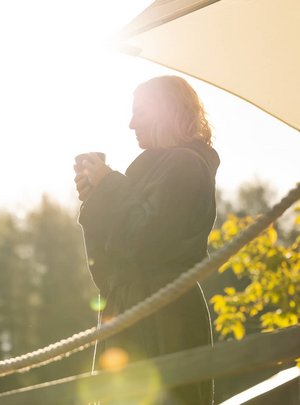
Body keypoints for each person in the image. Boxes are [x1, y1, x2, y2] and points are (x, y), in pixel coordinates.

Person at [74, 75, 218, 404]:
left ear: (165, 112)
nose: (130, 123)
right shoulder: (148, 173)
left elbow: (147, 240)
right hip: (129, 314)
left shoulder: (185, 164)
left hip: (163, 319)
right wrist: (95, 200)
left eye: (139, 112)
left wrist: (109, 186)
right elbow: (105, 272)